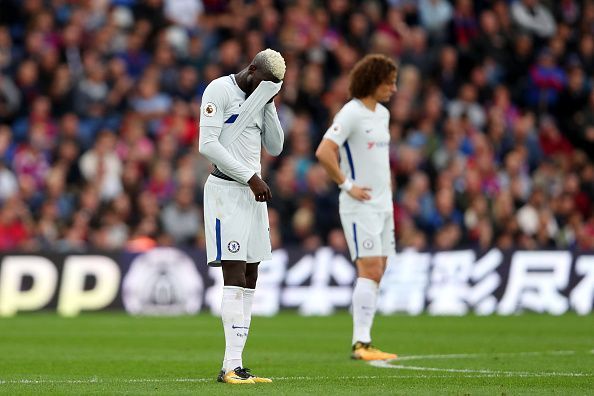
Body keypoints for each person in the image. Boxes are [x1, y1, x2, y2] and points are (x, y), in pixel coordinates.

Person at [198, 48, 285, 384]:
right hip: (227, 192)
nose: (266, 88)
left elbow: (276, 147)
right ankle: (231, 366)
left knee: (251, 275)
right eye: (264, 83)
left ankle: (235, 364)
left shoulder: (262, 96)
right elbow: (207, 144)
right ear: (252, 69)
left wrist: (269, 102)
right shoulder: (218, 90)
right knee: (234, 272)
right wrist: (249, 177)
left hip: (253, 194)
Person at [315, 54, 398, 361]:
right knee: (370, 268)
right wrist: (347, 185)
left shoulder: (383, 115)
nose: (394, 88)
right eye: (389, 82)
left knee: (380, 270)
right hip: (358, 205)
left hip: (383, 205)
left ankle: (365, 340)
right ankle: (360, 343)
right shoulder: (351, 112)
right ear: (373, 81)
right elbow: (324, 151)